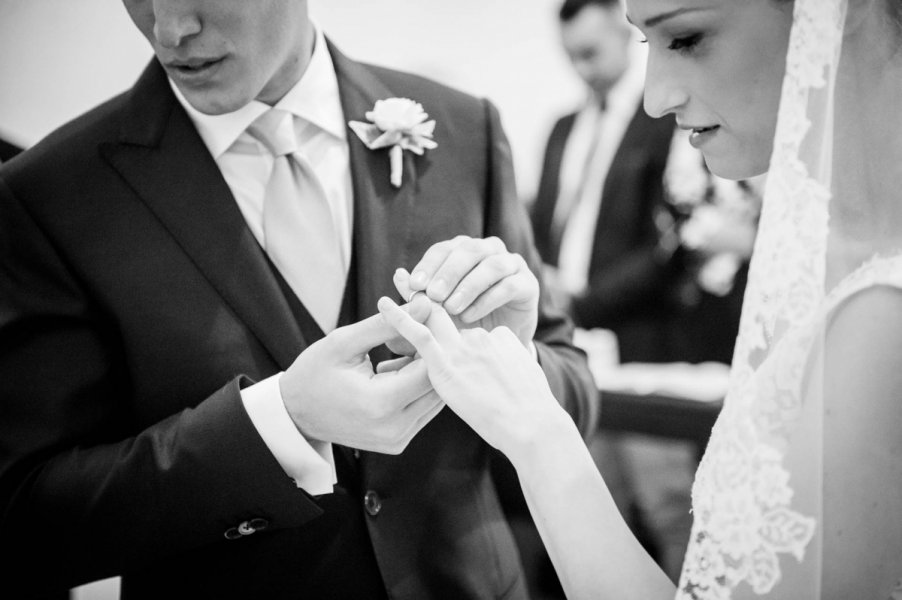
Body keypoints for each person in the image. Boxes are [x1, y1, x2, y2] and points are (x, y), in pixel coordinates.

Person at [0, 1, 598, 598]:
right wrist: (280, 423)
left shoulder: (465, 127)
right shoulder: (49, 195)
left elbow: (575, 392)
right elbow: (25, 517)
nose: (169, 30)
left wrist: (513, 363)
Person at [382, 0, 902, 597]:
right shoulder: (835, 268)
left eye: (685, 37)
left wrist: (535, 429)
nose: (655, 96)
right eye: (645, 44)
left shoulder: (881, 308)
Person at [530, 0, 676, 364]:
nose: (581, 68)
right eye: (570, 56)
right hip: (556, 334)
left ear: (625, 33)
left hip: (635, 335)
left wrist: (582, 303)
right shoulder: (561, 129)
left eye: (590, 53)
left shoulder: (663, 122)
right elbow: (541, 226)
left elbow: (666, 243)